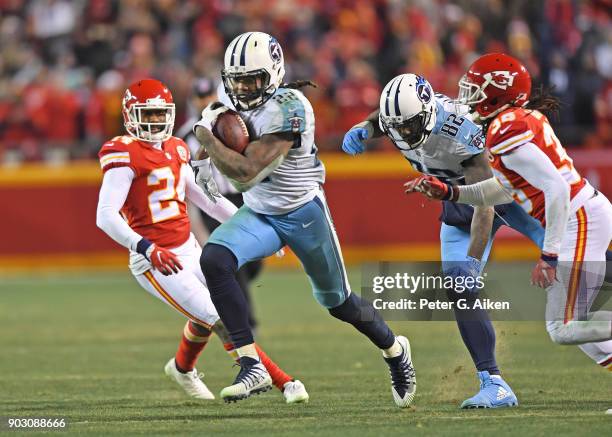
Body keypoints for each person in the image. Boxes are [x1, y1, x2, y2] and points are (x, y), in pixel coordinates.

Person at [191, 31, 416, 407]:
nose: (244, 88)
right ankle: (251, 363)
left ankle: (395, 350)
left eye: (253, 79)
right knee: (214, 259)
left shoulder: (291, 107)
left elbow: (247, 171)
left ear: (275, 73)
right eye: (238, 80)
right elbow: (219, 141)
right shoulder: (231, 100)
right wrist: (203, 155)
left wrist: (206, 136)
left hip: (302, 212)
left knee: (339, 303)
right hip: (260, 212)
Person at [95, 78, 309, 404]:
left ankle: (182, 369)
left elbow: (209, 200)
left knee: (212, 315)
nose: (154, 121)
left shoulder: (177, 148)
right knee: (217, 316)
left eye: (158, 114)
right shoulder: (122, 152)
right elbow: (106, 215)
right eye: (147, 114)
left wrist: (257, 228)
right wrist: (146, 248)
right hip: (155, 259)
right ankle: (280, 380)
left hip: (189, 250)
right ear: (130, 114)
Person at [342, 73, 545, 408]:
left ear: (428, 114)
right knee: (459, 287)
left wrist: (473, 261)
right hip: (458, 203)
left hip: (508, 195)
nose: (404, 134)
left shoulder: (459, 130)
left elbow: (485, 201)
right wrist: (366, 127)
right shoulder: (405, 116)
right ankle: (494, 383)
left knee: (572, 254)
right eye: (398, 127)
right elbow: (387, 120)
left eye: (409, 126)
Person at [409, 53, 612, 373]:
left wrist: (549, 255)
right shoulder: (513, 121)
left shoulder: (505, 130)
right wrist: (452, 192)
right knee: (576, 324)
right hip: (584, 214)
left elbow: (557, 190)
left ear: (497, 93)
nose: (467, 97)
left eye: (475, 89)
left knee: (562, 328)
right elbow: (503, 189)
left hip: (579, 217)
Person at [176, 77, 262, 331]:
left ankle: (226, 290)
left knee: (253, 261)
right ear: (193, 101)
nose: (205, 102)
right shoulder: (186, 135)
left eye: (208, 96)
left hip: (242, 197)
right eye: (200, 97)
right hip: (212, 201)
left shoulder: (235, 123)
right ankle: (247, 322)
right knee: (233, 259)